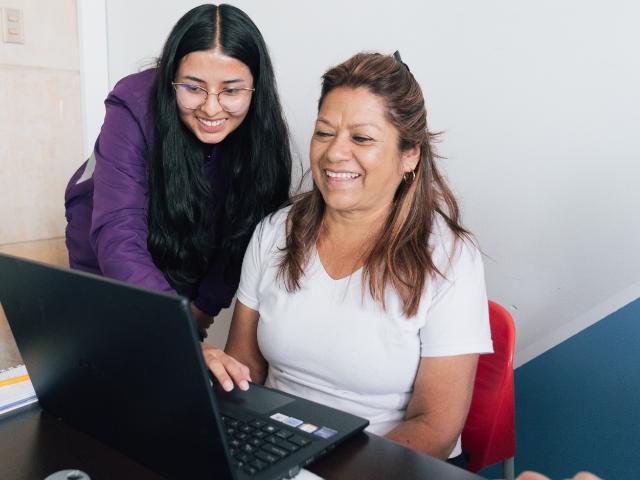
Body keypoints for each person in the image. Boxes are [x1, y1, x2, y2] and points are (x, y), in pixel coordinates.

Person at [202, 51, 493, 466]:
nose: (334, 154)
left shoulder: (449, 259)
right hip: (279, 452)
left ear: (409, 155)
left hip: (386, 465)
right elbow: (246, 373)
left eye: (361, 138)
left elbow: (436, 429)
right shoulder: (275, 233)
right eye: (324, 133)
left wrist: (324, 472)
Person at [64, 4, 291, 337]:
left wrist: (200, 308)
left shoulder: (262, 133)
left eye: (231, 90)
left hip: (187, 259)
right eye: (193, 87)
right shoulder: (133, 103)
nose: (212, 107)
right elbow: (118, 232)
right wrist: (175, 325)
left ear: (256, 87)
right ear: (172, 78)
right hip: (107, 259)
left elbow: (244, 232)